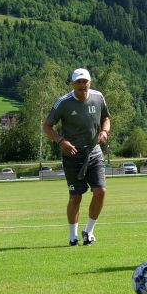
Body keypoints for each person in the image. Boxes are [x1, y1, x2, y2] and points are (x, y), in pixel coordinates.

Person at [42, 68, 111, 246]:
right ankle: (73, 236)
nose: (82, 85)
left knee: (101, 191)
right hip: (72, 155)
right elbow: (47, 126)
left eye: (85, 81)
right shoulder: (63, 103)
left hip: (94, 152)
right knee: (76, 196)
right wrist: (60, 141)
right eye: (78, 82)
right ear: (73, 84)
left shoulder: (98, 97)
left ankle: (88, 231)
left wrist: (104, 131)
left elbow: (106, 118)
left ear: (90, 82)